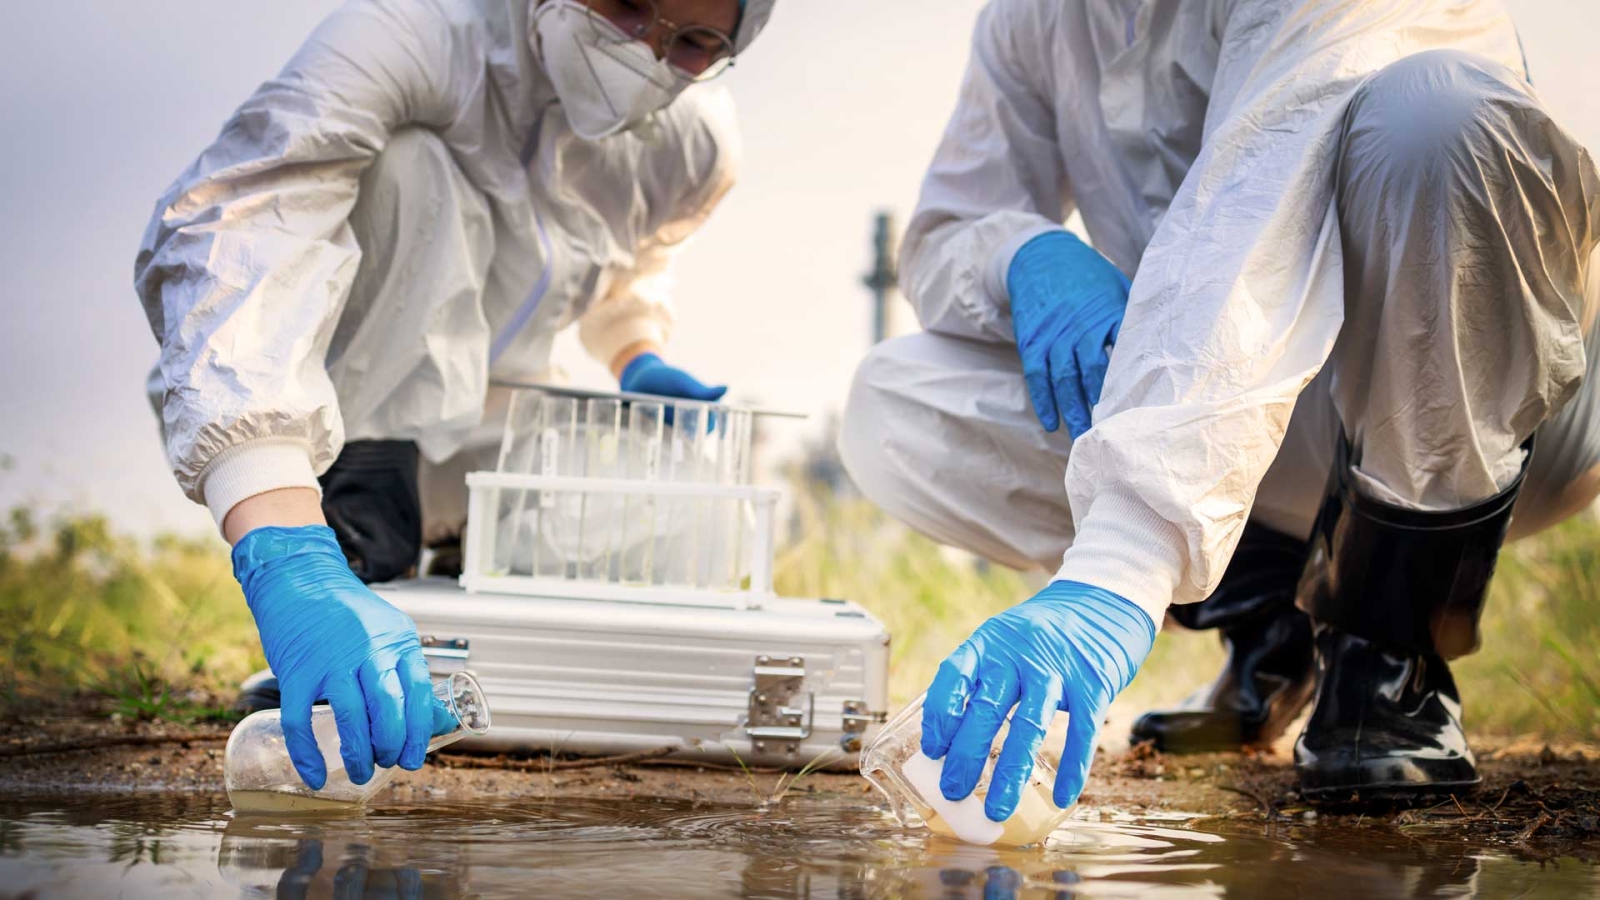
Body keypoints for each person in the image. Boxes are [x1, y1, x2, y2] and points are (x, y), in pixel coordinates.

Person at [840, 0, 1598, 819]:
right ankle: (1273, 630)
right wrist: (1020, 253)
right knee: (897, 398)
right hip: (1252, 420)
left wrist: (1121, 568)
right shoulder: (1034, 18)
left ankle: (1389, 656)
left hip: (1488, 392)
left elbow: (1254, 218)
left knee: (1439, 119)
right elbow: (946, 229)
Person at [135, 0, 776, 791]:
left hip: (495, 431)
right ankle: (354, 558)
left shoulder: (694, 136)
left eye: (693, 42)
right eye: (628, 6)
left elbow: (630, 251)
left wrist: (635, 350)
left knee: (675, 517)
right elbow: (241, 225)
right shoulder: (416, 32)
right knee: (411, 171)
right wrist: (280, 544)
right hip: (340, 423)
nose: (646, 53)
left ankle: (454, 602)